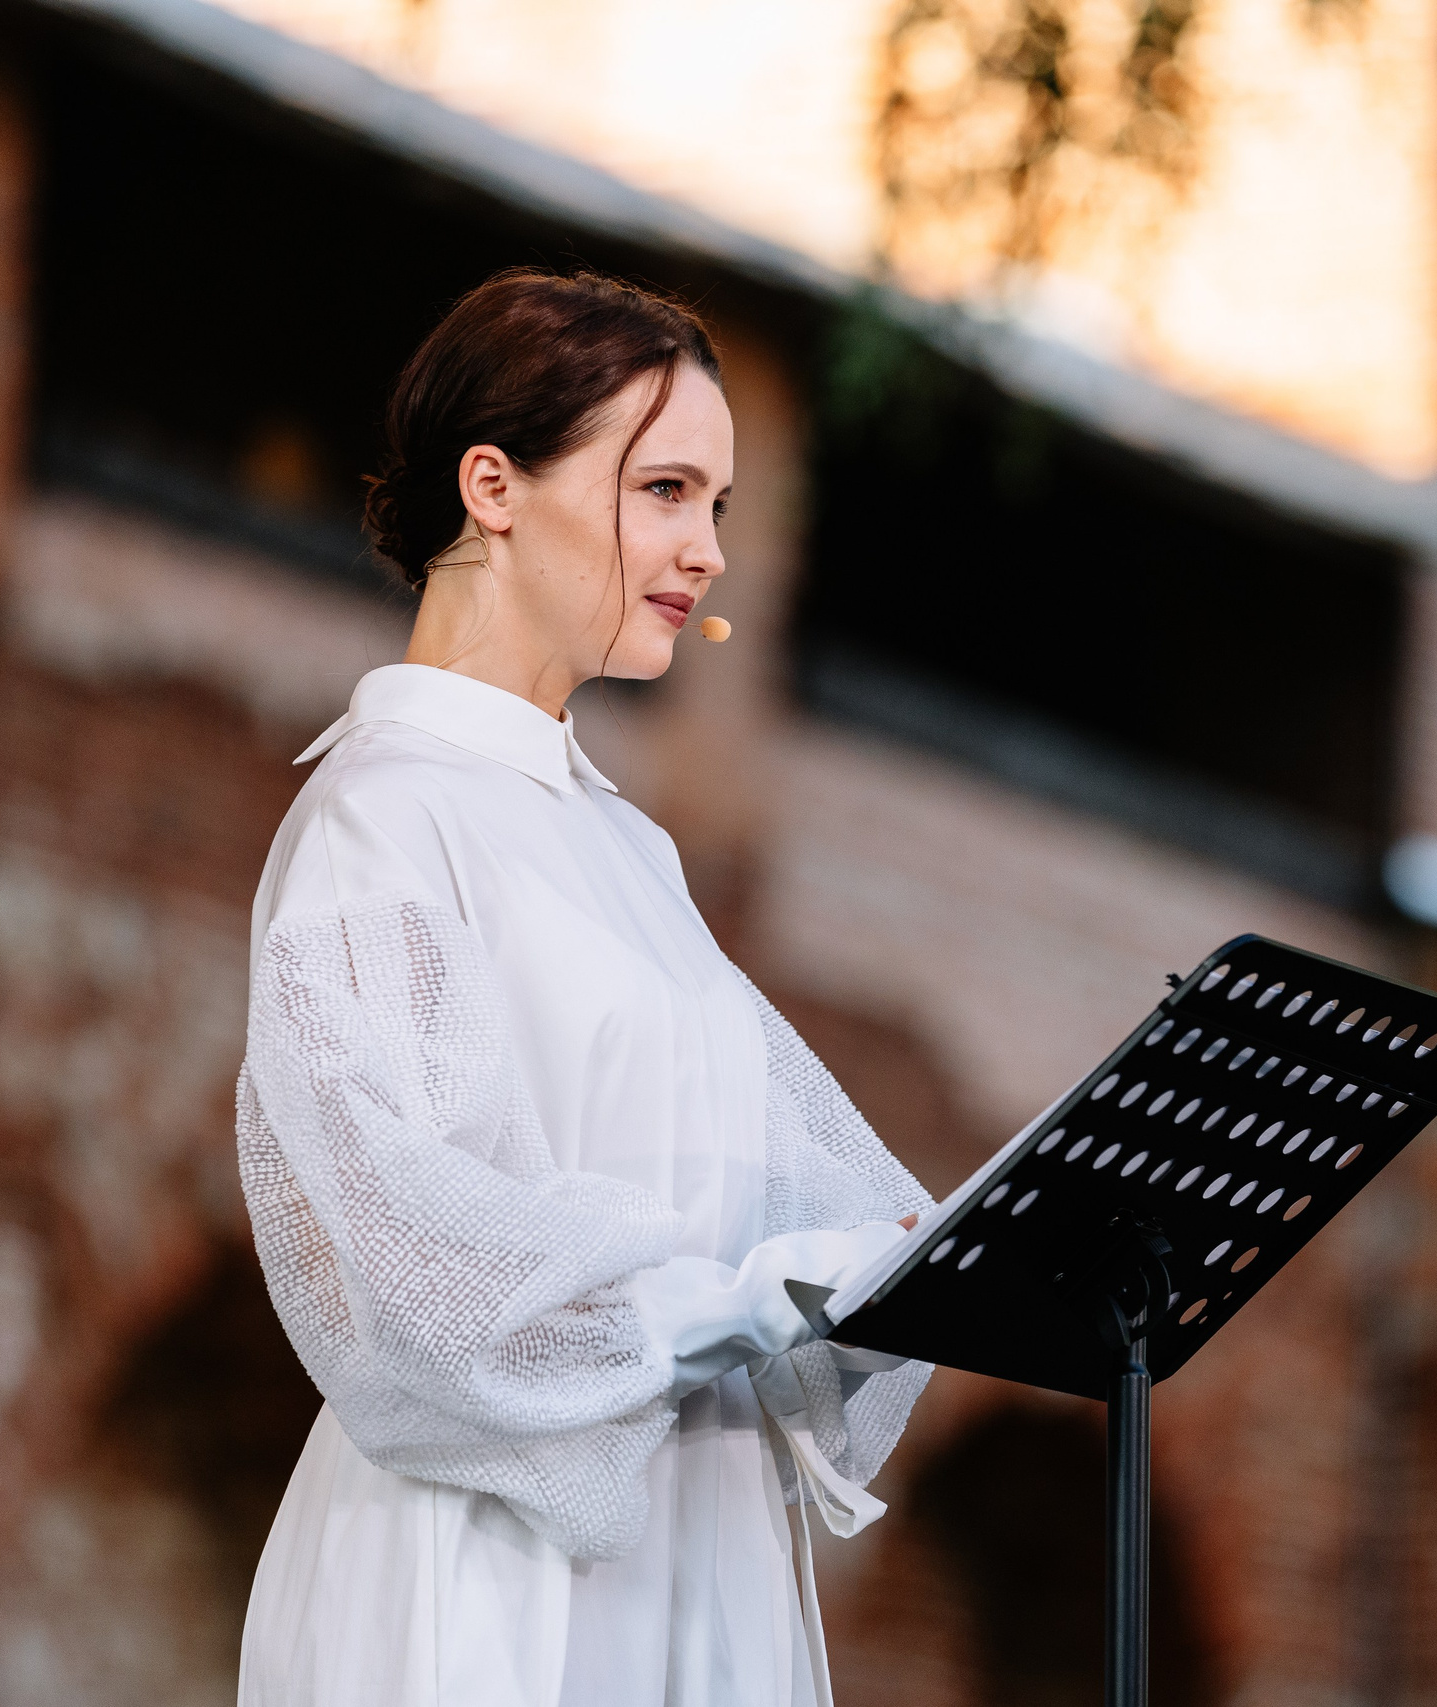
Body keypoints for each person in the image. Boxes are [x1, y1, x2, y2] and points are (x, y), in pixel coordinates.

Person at [234, 270, 933, 1707]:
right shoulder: (384, 815)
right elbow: (410, 1272)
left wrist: (914, 1253)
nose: (706, 550)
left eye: (718, 508)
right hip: (480, 1579)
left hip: (696, 1548)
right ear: (493, 485)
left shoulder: (631, 852)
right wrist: (730, 1304)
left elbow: (784, 1196)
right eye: (665, 489)